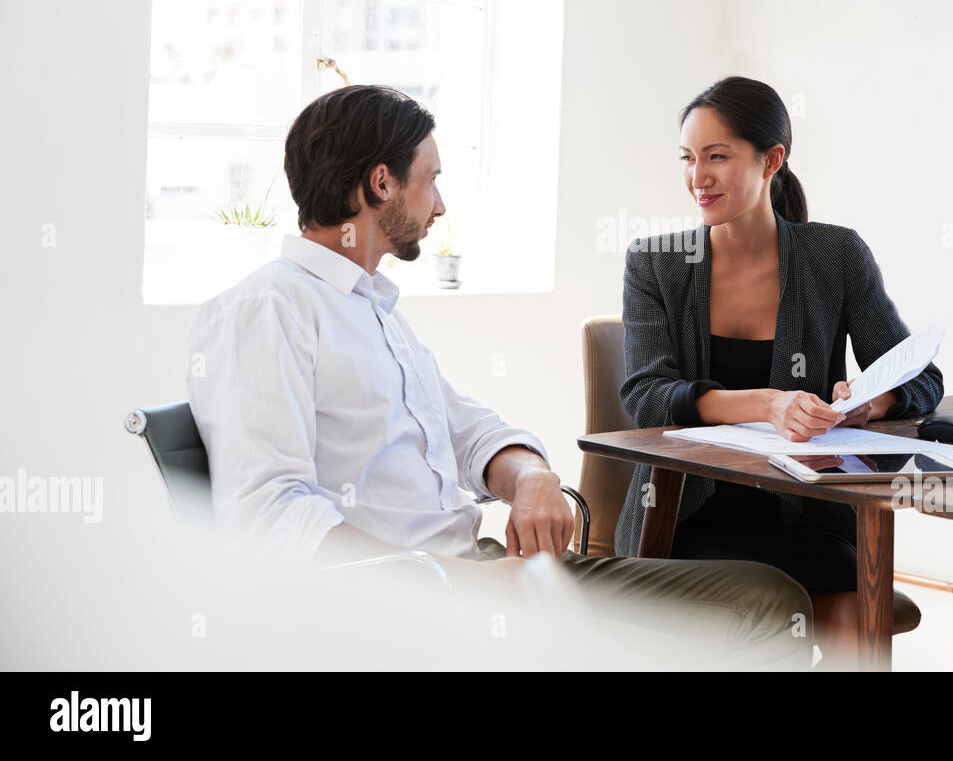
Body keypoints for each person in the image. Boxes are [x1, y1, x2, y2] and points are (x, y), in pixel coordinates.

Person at [186, 84, 811, 669]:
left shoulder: (369, 307)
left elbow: (464, 429)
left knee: (770, 600)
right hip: (421, 604)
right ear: (381, 183)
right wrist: (469, 584)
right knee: (760, 613)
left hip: (483, 574)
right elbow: (269, 517)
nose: (440, 204)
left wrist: (532, 476)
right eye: (430, 181)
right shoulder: (269, 308)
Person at [614, 76, 944, 655]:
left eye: (718, 156)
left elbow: (920, 376)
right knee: (772, 605)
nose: (699, 177)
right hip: (685, 518)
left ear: (772, 160)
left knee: (856, 617)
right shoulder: (656, 263)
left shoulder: (834, 255)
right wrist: (769, 403)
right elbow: (645, 396)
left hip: (804, 514)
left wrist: (873, 400)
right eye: (689, 159)